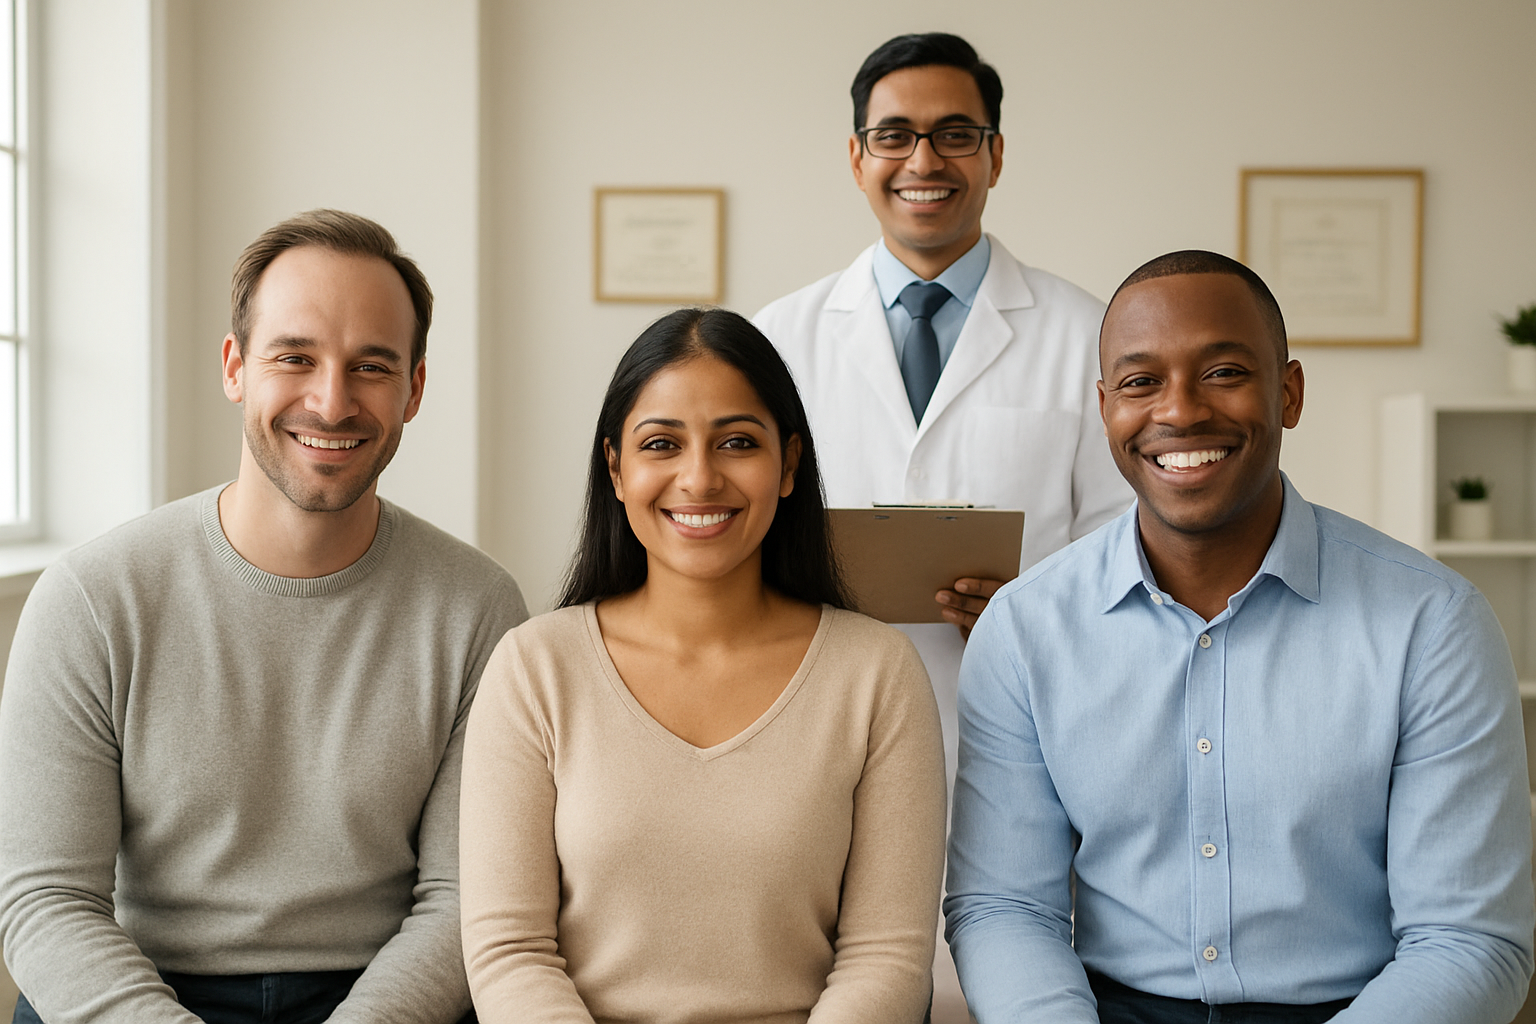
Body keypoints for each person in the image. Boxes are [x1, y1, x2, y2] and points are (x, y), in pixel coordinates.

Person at [945, 250, 1535, 1023]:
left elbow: (1467, 940)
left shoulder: (1434, 624)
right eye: (1140, 381)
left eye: (1223, 372)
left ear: (1288, 393)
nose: (1180, 411)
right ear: (1104, 408)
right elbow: (1002, 907)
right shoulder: (1023, 631)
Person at [0, 210, 528, 1024]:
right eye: (295, 357)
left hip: (378, 993)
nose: (332, 400)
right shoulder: (92, 599)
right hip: (144, 988)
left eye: (372, 367)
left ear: (415, 389)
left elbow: (462, 900)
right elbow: (47, 901)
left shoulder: (477, 609)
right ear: (235, 367)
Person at [460, 308, 947, 1024]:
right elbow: (510, 953)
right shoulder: (535, 668)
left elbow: (888, 956)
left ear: (788, 465)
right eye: (661, 443)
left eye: (737, 443)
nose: (699, 477)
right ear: (616, 469)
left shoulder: (878, 673)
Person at [752, 32, 1132, 783]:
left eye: (956, 135)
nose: (923, 162)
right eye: (893, 136)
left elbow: (1126, 547)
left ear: (995, 156)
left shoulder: (1090, 334)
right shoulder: (777, 338)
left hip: (1026, 729)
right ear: (857, 158)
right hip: (817, 727)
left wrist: (1035, 616)